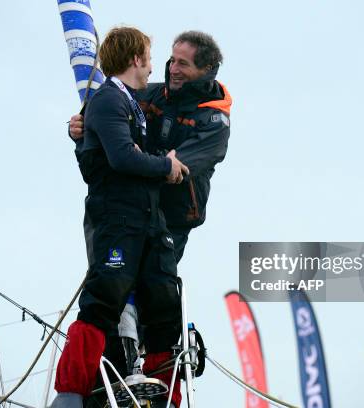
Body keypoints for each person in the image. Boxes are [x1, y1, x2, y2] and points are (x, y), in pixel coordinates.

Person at [69, 31, 231, 408]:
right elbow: (110, 123)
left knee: (156, 302)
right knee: (114, 292)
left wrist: (156, 163)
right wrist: (80, 129)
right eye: (171, 59)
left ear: (206, 70)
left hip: (172, 218)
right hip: (129, 212)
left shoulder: (214, 121)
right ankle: (112, 373)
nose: (172, 68)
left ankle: (153, 384)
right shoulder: (148, 94)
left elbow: (176, 166)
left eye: (183, 64)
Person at [52, 26, 189, 408]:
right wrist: (166, 165)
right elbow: (121, 158)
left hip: (149, 222)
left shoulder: (132, 103)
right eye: (148, 56)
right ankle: (70, 394)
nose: (152, 66)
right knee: (103, 301)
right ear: (135, 59)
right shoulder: (108, 100)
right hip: (118, 220)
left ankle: (169, 398)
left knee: (164, 307)